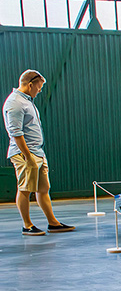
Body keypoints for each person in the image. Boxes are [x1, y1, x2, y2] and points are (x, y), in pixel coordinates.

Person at [3, 69, 74, 236]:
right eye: (39, 87)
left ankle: (53, 223)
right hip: (25, 154)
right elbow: (16, 133)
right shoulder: (15, 103)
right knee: (25, 189)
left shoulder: (27, 100)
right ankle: (27, 225)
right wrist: (28, 157)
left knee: (43, 188)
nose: (40, 90)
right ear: (30, 85)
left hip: (37, 152)